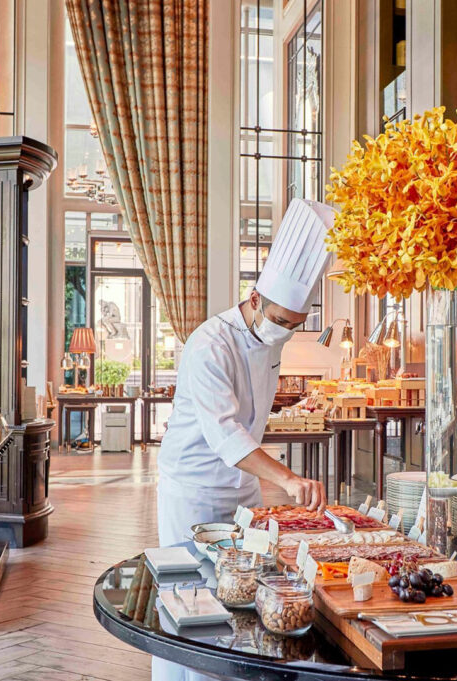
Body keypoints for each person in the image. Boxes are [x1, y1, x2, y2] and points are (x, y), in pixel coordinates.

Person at [152, 199, 335, 680]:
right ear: (255, 298)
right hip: (192, 490)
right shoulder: (209, 343)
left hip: (243, 494)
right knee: (189, 602)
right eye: (281, 320)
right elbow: (225, 433)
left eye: (295, 326)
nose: (285, 332)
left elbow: (255, 416)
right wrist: (289, 478)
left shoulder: (268, 338)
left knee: (241, 598)